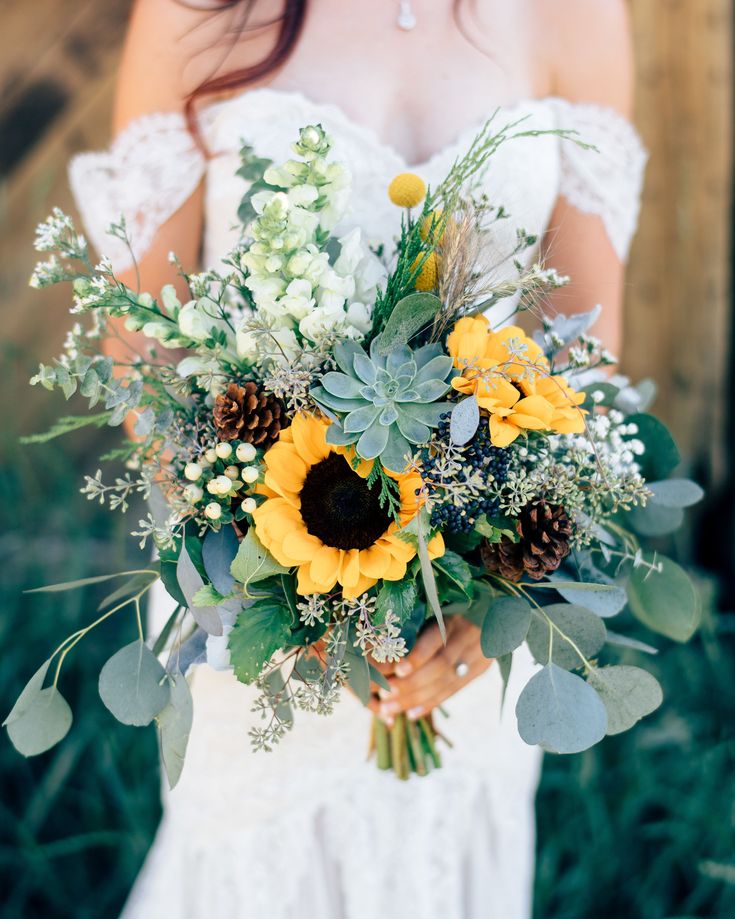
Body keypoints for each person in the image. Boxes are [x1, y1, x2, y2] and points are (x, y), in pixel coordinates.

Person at [68, 1, 647, 916]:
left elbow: (580, 357)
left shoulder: (574, 13)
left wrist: (492, 597)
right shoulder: (195, 9)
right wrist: (285, 579)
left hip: (465, 606)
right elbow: (145, 355)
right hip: (254, 592)